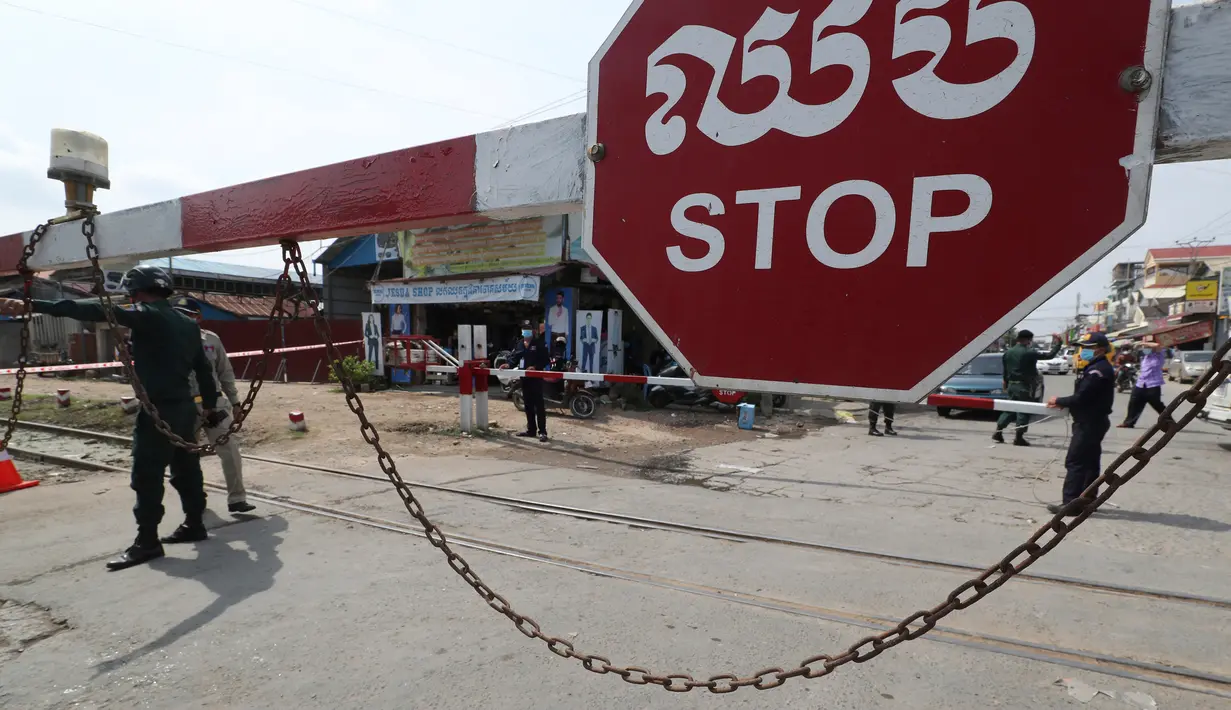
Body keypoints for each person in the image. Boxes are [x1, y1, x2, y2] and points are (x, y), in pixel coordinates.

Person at [0, 266, 221, 570]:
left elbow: (93, 309)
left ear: (134, 292)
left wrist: (35, 304)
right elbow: (204, 370)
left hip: (158, 410)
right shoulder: (187, 324)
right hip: (184, 407)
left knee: (147, 475)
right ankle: (195, 523)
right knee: (186, 468)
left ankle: (147, 542)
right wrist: (208, 405)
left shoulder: (146, 314)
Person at [174, 300, 255, 514]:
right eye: (179, 314)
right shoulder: (166, 341)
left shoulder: (211, 340)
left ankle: (237, 499)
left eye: (188, 314)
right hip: (183, 404)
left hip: (215, 402)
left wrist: (236, 403)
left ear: (198, 317)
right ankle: (195, 498)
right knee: (184, 456)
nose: (184, 318)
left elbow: (225, 372)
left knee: (230, 450)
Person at [1046, 332, 1115, 516]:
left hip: (1089, 423)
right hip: (1094, 421)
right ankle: (1088, 500)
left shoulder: (1097, 371)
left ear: (1099, 349)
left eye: (1087, 348)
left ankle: (1070, 504)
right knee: (1090, 462)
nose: (1083, 351)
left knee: (1075, 462)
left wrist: (1059, 399)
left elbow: (1082, 397)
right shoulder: (1097, 367)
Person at [992, 330, 1061, 446]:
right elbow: (1049, 355)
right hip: (1023, 386)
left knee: (1009, 409)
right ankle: (1019, 438)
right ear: (1029, 340)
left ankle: (998, 432)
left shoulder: (1008, 352)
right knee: (1023, 410)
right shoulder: (1029, 352)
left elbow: (1005, 370)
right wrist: (1058, 344)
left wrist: (1005, 382)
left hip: (1011, 385)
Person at [504, 320, 550, 442]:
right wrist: (508, 365)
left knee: (539, 405)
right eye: (524, 329)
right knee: (528, 404)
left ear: (533, 331)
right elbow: (515, 358)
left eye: (528, 328)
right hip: (524, 378)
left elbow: (546, 359)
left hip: (536, 378)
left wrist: (535, 367)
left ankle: (542, 432)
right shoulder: (520, 344)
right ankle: (531, 430)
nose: (525, 331)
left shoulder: (539, 343)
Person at [1119, 342, 1168, 428]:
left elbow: (1157, 345)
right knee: (1134, 402)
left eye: (1147, 348)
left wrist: (1143, 342)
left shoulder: (1158, 356)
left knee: (1157, 404)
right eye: (1144, 348)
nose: (1145, 349)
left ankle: (1169, 422)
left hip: (1153, 384)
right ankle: (1128, 422)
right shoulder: (1145, 357)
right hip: (1141, 383)